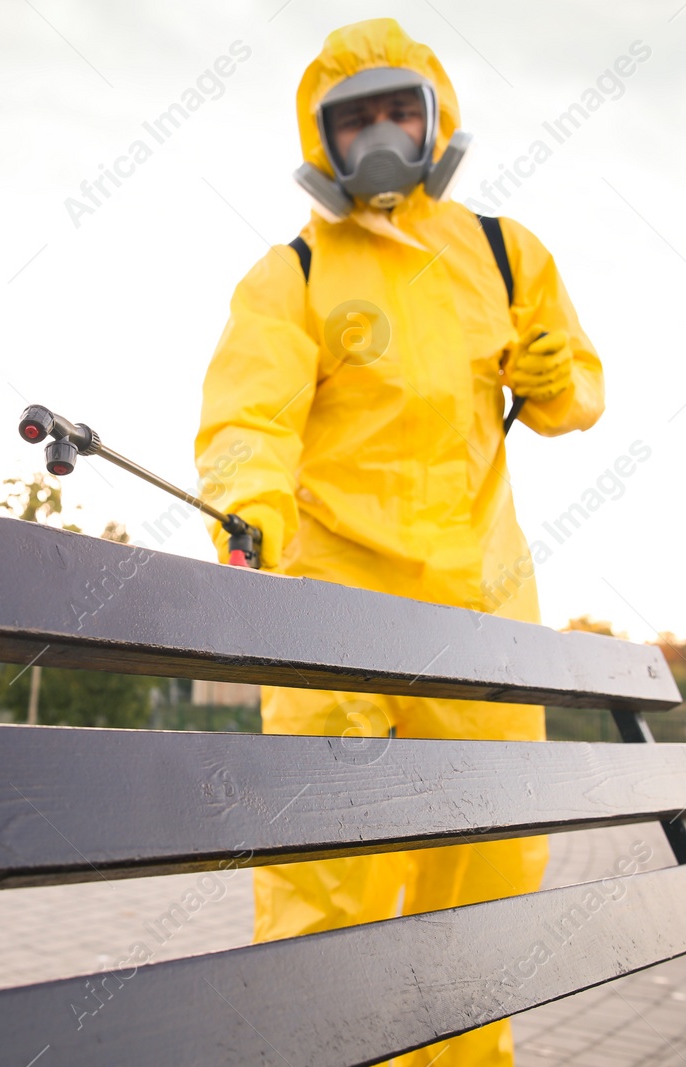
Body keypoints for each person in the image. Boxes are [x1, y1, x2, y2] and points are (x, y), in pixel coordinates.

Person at [193, 18, 605, 1067]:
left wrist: (554, 373)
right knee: (322, 877)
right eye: (354, 116)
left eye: (398, 109)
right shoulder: (289, 274)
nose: (379, 132)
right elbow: (251, 417)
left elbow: (570, 401)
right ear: (319, 136)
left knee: (490, 867)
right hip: (332, 610)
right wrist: (249, 507)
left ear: (436, 118)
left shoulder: (507, 254)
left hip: (481, 614)